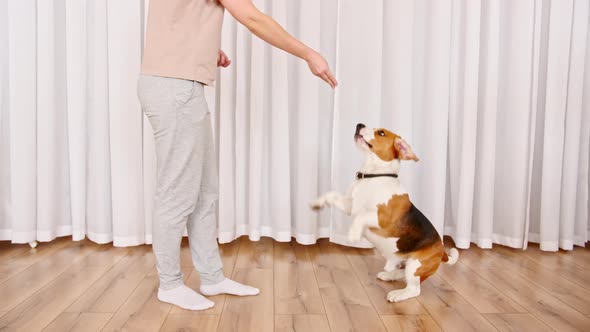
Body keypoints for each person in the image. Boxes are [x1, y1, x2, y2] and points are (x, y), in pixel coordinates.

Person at [137, 0, 337, 311]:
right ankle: (170, 284)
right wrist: (309, 54)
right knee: (176, 193)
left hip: (174, 85)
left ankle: (212, 277)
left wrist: (201, 51)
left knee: (204, 191)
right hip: (176, 90)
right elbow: (253, 18)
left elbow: (175, 19)